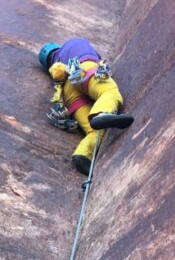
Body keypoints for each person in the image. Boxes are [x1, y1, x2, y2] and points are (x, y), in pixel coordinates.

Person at [38, 38, 134, 175]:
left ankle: (82, 154)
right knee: (109, 92)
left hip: (68, 95)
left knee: (94, 131)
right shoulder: (74, 43)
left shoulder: (56, 70)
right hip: (82, 70)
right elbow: (96, 57)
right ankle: (101, 113)